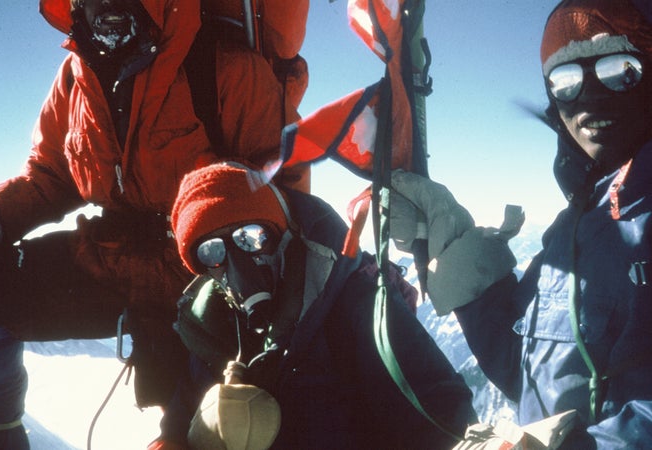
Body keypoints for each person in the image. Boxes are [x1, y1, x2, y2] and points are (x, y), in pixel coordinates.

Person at [389, 0, 652, 448]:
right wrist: (449, 246)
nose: (587, 95)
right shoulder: (577, 224)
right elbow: (531, 370)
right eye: (564, 79)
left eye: (619, 68)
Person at [0, 0, 307, 448]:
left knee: (203, 430)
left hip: (203, 275)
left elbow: (281, 192)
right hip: (108, 258)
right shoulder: (77, 76)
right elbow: (51, 175)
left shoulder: (226, 69)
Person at [153, 162, 478, 449]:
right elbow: (185, 413)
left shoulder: (353, 301)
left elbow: (438, 404)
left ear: (282, 234)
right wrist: (168, 441)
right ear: (202, 268)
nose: (238, 263)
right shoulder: (208, 325)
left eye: (251, 236)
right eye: (211, 252)